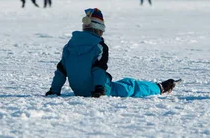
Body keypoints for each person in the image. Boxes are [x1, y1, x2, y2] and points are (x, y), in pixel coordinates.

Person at [45, 8, 179, 98]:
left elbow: (61, 70)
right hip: (97, 89)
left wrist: (54, 91)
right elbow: (98, 69)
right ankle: (159, 88)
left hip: (78, 90)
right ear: (99, 29)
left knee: (121, 82)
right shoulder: (99, 46)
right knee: (130, 85)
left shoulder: (70, 45)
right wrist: (99, 89)